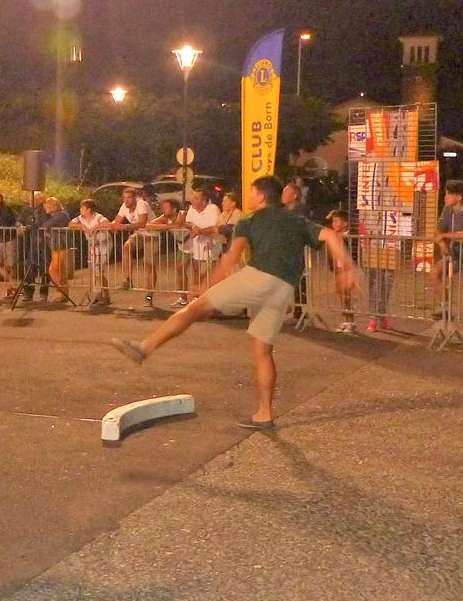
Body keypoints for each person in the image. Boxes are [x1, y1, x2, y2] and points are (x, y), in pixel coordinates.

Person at [111, 175, 356, 430]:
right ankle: (264, 413)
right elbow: (331, 235)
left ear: (261, 196)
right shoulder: (296, 220)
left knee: (194, 310)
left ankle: (144, 347)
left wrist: (204, 286)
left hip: (258, 277)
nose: (248, 197)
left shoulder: (248, 220)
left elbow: (230, 259)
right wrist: (345, 268)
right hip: (284, 289)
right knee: (263, 351)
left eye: (251, 192)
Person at [436, 180, 463, 336]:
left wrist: (445, 236)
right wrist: (441, 242)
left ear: (458, 196)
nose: (445, 197)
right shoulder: (447, 209)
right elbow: (439, 230)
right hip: (454, 254)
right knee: (435, 273)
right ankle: (446, 307)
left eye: (448, 193)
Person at [179, 185, 224, 303]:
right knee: (197, 273)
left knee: (207, 275)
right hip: (197, 248)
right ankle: (197, 298)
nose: (192, 201)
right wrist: (194, 226)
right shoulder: (192, 209)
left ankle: (210, 301)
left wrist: (200, 231)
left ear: (204, 201)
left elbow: (214, 227)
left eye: (196, 198)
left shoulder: (213, 209)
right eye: (193, 198)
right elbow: (187, 222)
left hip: (211, 248)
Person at [70, 198, 113, 306]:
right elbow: (71, 224)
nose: (80, 209)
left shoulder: (98, 217)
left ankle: (101, 293)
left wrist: (95, 227)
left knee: (98, 269)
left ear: (89, 209)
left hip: (104, 245)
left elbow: (107, 224)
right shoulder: (81, 218)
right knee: (95, 270)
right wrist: (82, 226)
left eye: (82, 208)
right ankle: (102, 294)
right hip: (93, 245)